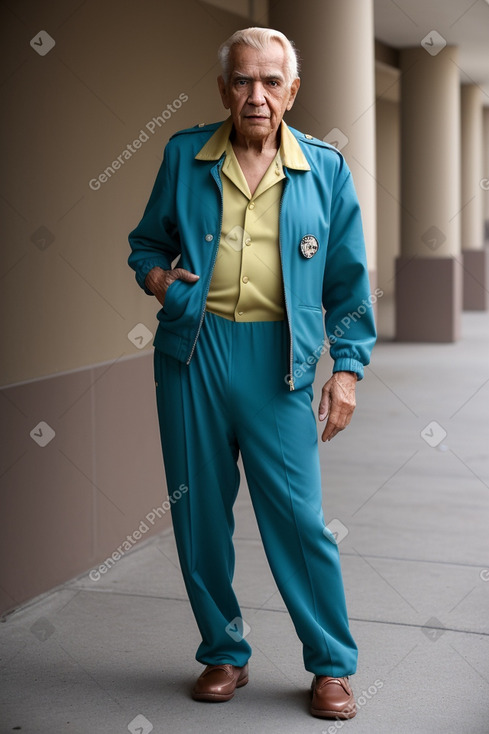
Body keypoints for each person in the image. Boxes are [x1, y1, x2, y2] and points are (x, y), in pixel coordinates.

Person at [128, 26, 376, 720]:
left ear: (292, 92)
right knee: (198, 515)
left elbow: (349, 282)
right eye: (242, 80)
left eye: (271, 82)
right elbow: (145, 241)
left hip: (280, 364)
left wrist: (347, 369)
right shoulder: (184, 155)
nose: (256, 96)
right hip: (193, 354)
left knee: (297, 521)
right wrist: (158, 281)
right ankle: (222, 653)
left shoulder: (323, 169)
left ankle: (330, 665)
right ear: (223, 89)